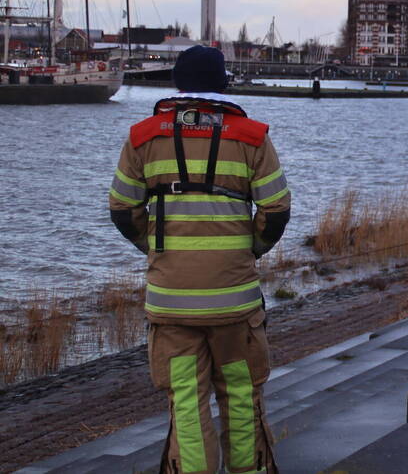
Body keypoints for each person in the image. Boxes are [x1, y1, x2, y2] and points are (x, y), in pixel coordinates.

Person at [108, 45, 291, 474]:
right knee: (242, 396)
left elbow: (121, 209)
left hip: (171, 302)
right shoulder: (252, 137)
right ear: (223, 82)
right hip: (235, 301)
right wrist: (249, 250)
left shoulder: (142, 137)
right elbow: (276, 210)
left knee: (187, 404)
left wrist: (155, 248)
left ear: (176, 83)